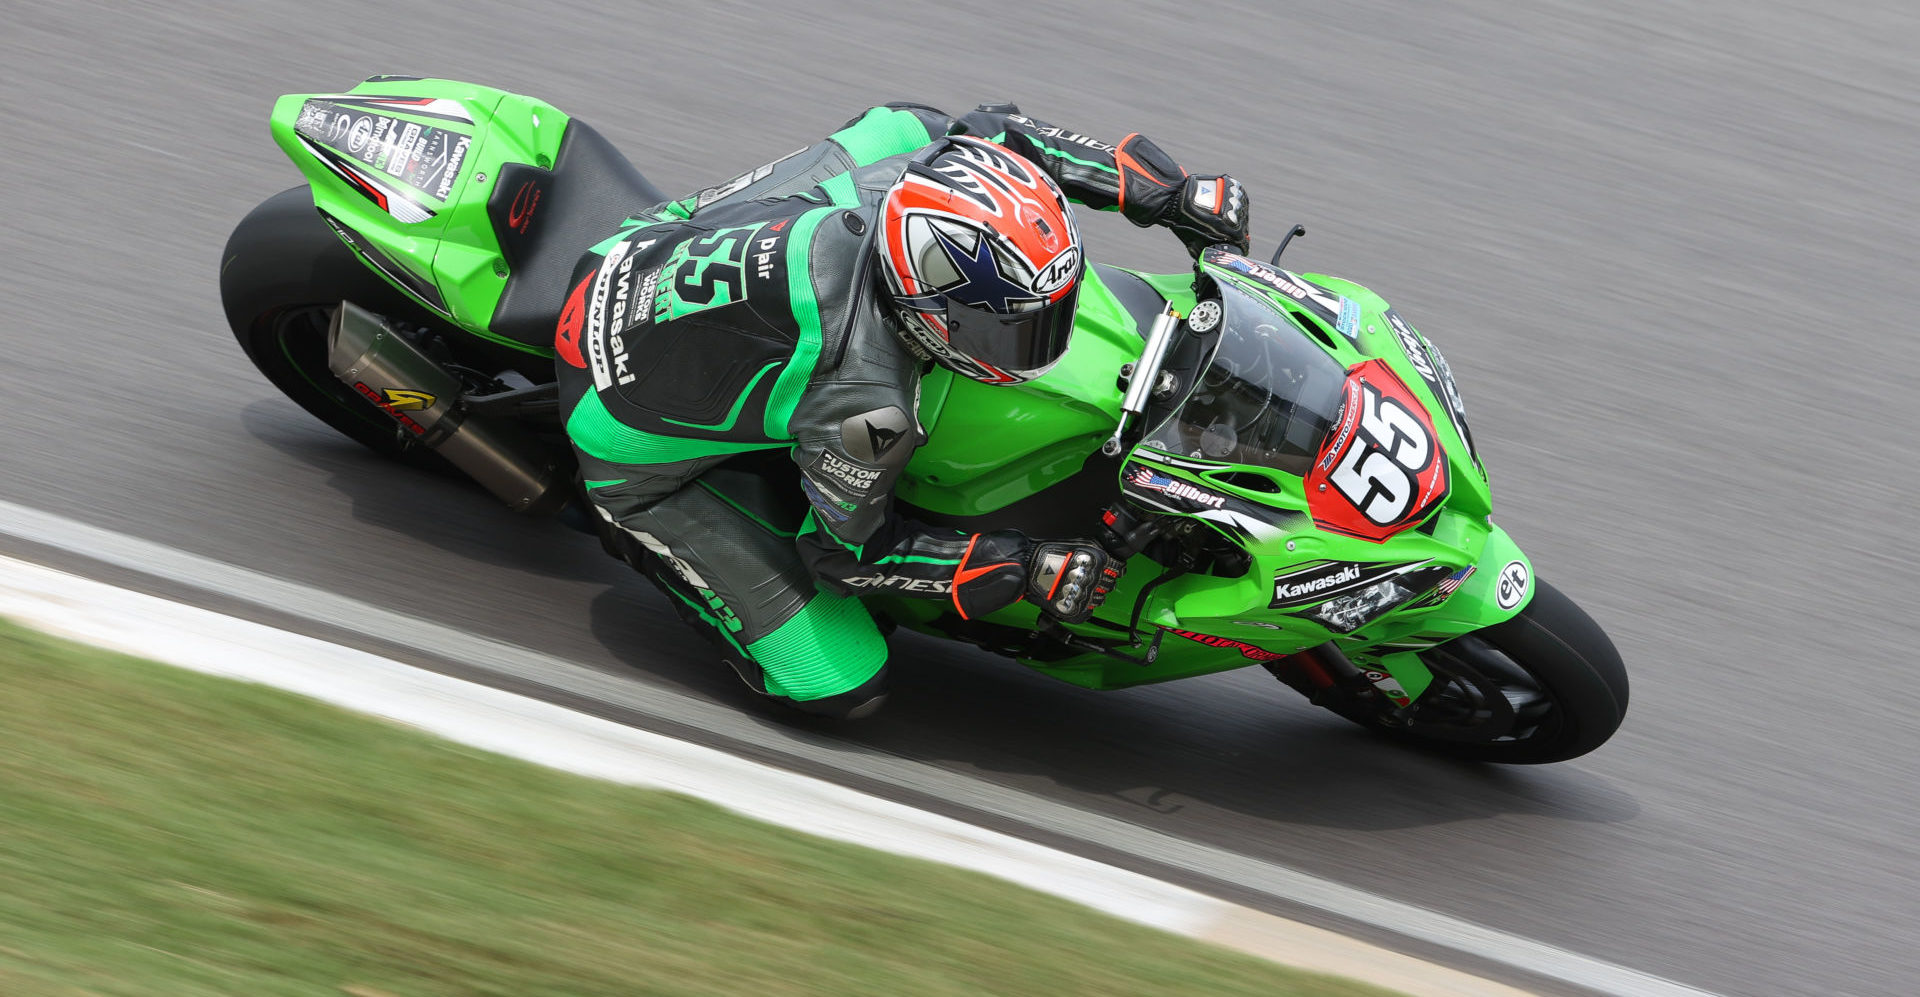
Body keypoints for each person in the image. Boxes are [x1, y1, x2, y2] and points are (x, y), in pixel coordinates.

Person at [554, 101, 1250, 718]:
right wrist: (1022, 561)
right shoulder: (867, 403)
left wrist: (1171, 194)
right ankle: (653, 525)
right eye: (1011, 330)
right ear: (923, 307)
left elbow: (998, 132)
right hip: (617, 421)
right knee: (839, 680)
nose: (1037, 344)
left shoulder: (919, 182)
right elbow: (849, 554)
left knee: (912, 123)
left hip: (649, 244)